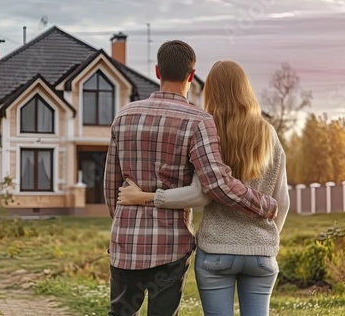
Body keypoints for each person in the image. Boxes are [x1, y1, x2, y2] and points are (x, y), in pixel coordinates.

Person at [104, 42, 279, 316]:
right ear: (190, 75)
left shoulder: (123, 116)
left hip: (127, 243)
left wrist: (122, 224)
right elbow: (216, 184)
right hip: (171, 246)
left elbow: (111, 185)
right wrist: (265, 208)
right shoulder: (198, 121)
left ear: (157, 72)